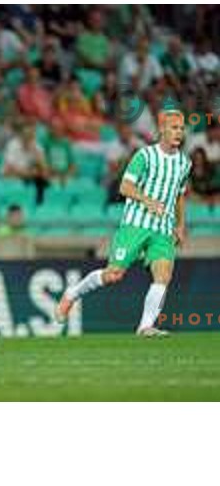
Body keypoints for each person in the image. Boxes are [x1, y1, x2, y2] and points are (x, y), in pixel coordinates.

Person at [55, 110, 191, 337]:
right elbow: (124, 188)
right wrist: (148, 201)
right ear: (162, 130)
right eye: (174, 128)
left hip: (164, 229)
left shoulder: (184, 163)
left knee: (163, 276)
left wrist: (180, 225)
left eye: (181, 128)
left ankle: (145, 326)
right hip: (135, 224)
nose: (179, 132)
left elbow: (180, 195)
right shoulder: (144, 156)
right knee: (114, 274)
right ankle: (72, 294)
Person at [1, 124, 49, 204]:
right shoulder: (13, 145)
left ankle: (38, 205)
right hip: (10, 177)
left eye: (31, 136)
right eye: (26, 135)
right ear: (21, 135)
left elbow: (45, 171)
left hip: (28, 178)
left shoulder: (37, 148)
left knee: (43, 180)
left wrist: (37, 154)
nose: (28, 138)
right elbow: (9, 169)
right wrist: (29, 173)